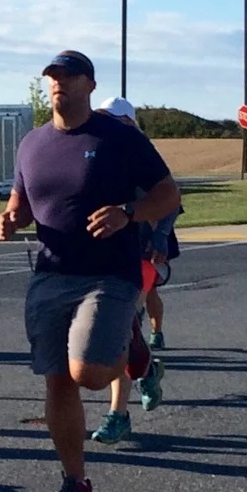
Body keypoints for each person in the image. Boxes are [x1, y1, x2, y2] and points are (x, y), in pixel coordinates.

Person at [0, 51, 181, 492]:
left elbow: (168, 195)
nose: (58, 83)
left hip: (108, 275)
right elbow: (20, 200)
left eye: (69, 76)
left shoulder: (117, 137)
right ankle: (75, 483)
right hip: (51, 274)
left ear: (89, 85)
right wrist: (11, 218)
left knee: (91, 375)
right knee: (58, 380)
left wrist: (129, 214)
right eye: (53, 77)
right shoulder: (32, 143)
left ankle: (128, 337)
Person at [89, 97, 177, 443]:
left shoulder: (142, 154)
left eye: (113, 119)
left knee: (120, 327)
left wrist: (159, 237)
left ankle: (118, 414)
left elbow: (171, 199)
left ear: (128, 122)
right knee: (119, 331)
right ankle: (147, 367)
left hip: (141, 253)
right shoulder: (100, 151)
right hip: (105, 253)